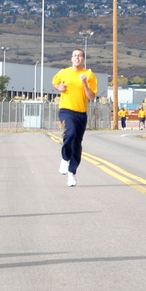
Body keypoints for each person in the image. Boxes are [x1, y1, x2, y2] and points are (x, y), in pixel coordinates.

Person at [52, 49, 97, 187]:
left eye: (80, 56)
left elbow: (92, 97)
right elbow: (55, 82)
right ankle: (65, 159)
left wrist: (84, 83)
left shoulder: (89, 75)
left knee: (77, 144)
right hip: (66, 110)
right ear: (71, 59)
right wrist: (58, 87)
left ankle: (72, 173)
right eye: (75, 55)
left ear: (83, 59)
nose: (77, 58)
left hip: (81, 113)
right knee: (69, 134)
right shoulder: (64, 72)